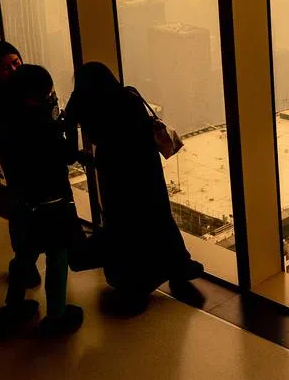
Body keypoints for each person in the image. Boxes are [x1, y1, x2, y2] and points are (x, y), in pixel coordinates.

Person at [66, 62, 202, 305]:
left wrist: (80, 154)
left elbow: (69, 131)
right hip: (143, 166)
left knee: (123, 222)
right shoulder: (127, 97)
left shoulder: (82, 102)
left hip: (113, 170)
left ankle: (132, 275)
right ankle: (177, 263)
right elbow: (142, 127)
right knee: (158, 215)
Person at [0, 64, 84, 336]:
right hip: (51, 203)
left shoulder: (7, 120)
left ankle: (13, 306)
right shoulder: (43, 126)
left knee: (25, 254)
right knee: (57, 256)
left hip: (22, 202)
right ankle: (56, 315)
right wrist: (67, 126)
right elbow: (68, 156)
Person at [0, 41, 42, 290]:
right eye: (5, 67)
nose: (13, 70)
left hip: (40, 158)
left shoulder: (32, 85)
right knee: (22, 213)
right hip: (15, 160)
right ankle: (25, 262)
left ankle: (26, 262)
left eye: (16, 62)